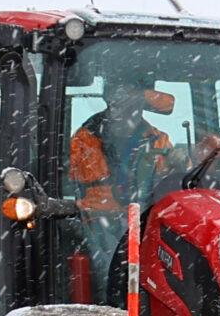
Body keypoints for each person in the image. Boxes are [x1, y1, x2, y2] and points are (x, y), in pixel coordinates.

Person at [68, 67, 177, 215]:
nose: (125, 106)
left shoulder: (159, 140)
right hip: (94, 223)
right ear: (108, 98)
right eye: (120, 98)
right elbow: (64, 187)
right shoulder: (82, 141)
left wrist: (181, 162)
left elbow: (176, 182)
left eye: (134, 99)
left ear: (144, 101)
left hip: (146, 222)